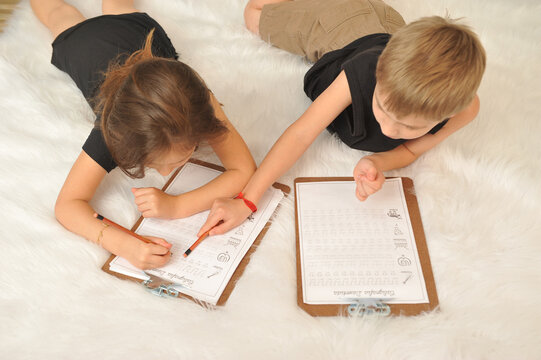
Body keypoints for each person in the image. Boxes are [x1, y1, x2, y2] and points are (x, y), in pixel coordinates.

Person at [198, 0, 486, 236]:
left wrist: (376, 162)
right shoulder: (363, 69)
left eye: (409, 126)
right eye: (382, 108)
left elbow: (411, 149)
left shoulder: (464, 109)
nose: (388, 128)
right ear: (379, 71)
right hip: (342, 25)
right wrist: (247, 201)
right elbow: (301, 134)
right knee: (253, 14)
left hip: (387, 23)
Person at [31, 0, 256, 269]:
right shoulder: (110, 133)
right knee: (59, 13)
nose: (164, 175)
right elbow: (67, 205)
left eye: (177, 161)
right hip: (85, 43)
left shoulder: (200, 102)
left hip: (140, 32)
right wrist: (121, 243)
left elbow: (244, 169)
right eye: (152, 164)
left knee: (118, 5)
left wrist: (177, 206)